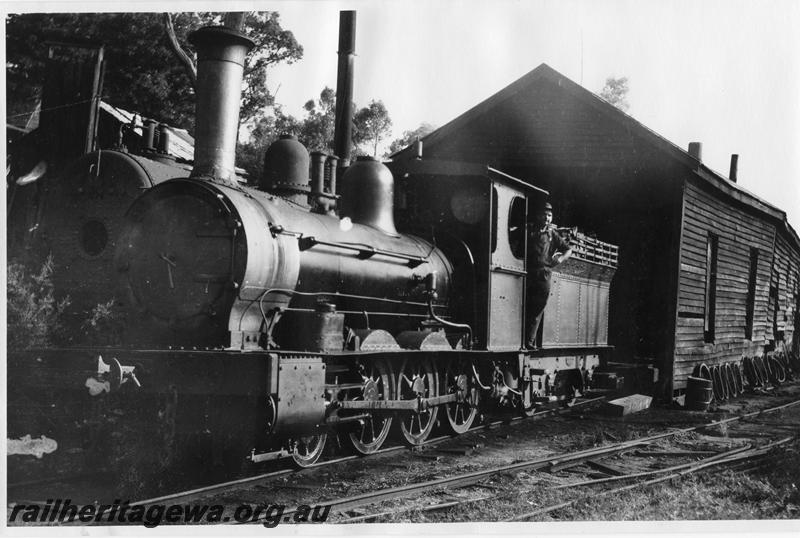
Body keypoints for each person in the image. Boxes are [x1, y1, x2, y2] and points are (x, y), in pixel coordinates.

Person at [526, 201, 572, 349]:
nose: (547, 218)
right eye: (544, 215)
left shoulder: (553, 235)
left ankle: (529, 342)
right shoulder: (529, 230)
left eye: (549, 215)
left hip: (544, 274)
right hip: (528, 273)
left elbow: (568, 249)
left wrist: (560, 258)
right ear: (538, 215)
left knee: (537, 308)